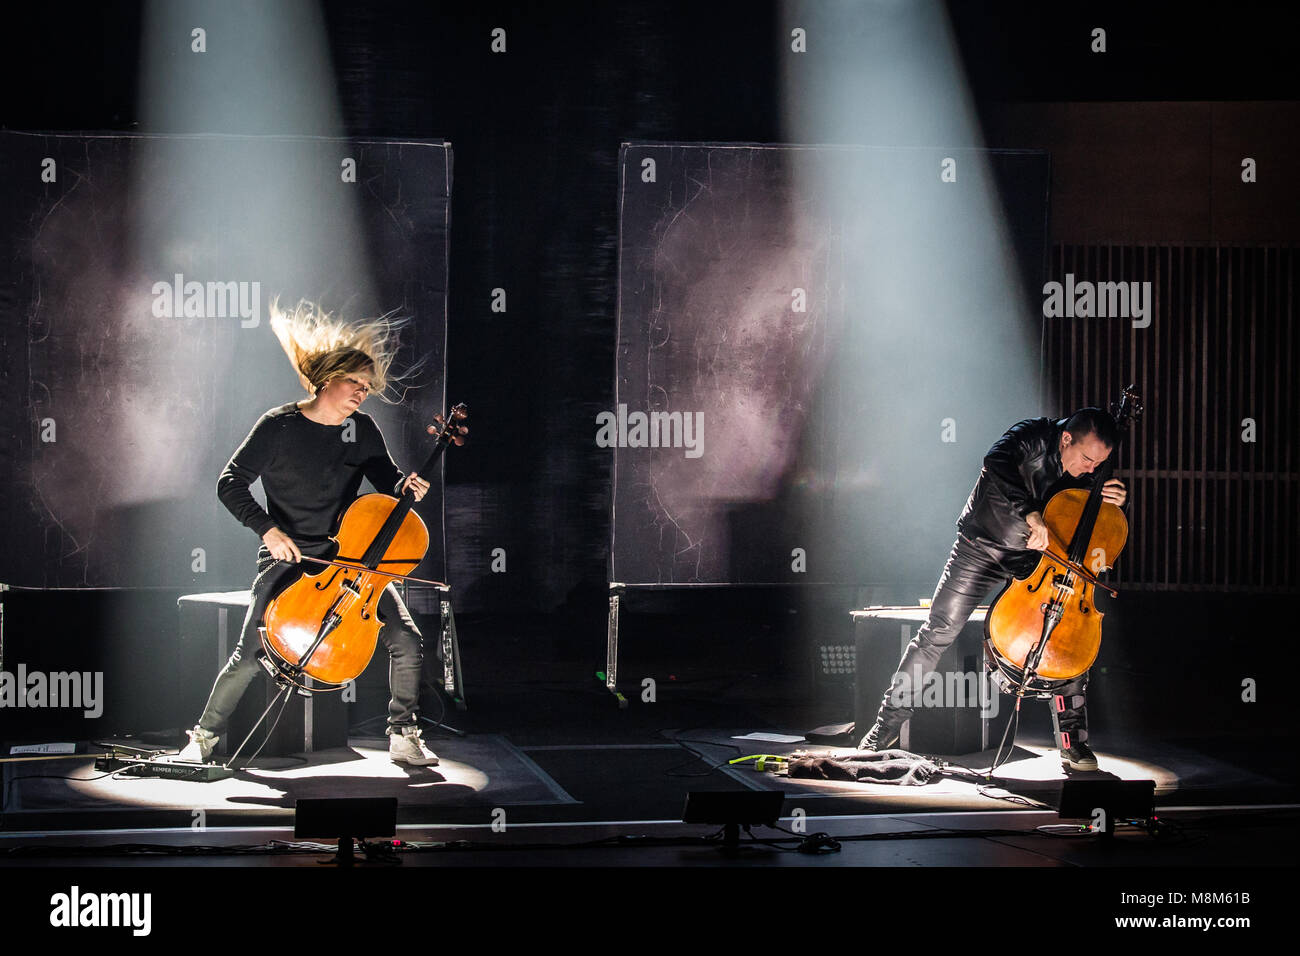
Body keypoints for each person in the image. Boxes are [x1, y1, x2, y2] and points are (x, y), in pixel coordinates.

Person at [179, 298, 444, 767]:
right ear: (327, 380)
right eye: (355, 383)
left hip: (355, 561)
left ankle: (403, 732)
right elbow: (230, 482)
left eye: (367, 386)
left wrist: (406, 486)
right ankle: (202, 737)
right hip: (292, 558)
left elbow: (387, 482)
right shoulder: (278, 426)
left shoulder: (361, 430)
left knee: (405, 639)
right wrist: (268, 531)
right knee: (250, 652)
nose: (362, 393)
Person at [858, 408, 1127, 771]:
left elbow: (1076, 516)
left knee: (1067, 636)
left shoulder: (1086, 473)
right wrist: (1031, 514)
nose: (1091, 468)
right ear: (1066, 440)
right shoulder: (1031, 436)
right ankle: (883, 729)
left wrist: (1106, 495)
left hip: (1033, 561)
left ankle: (1074, 743)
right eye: (1088, 459)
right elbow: (995, 463)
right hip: (981, 545)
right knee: (937, 631)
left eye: (1100, 464)